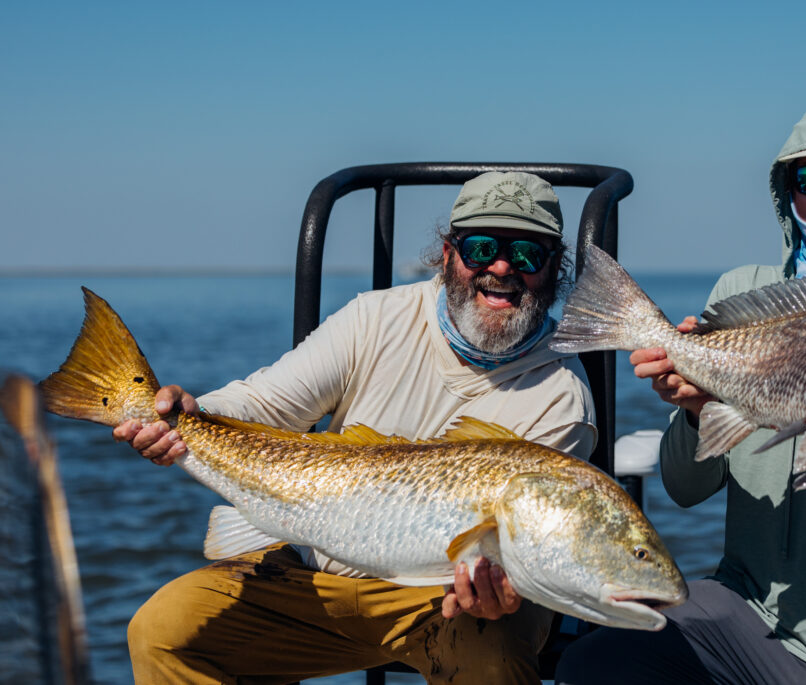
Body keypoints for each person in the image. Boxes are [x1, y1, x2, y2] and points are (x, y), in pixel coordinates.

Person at [114, 171, 596, 684]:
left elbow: (526, 551)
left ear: (555, 268)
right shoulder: (374, 318)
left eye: (526, 254)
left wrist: (505, 584)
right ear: (448, 254)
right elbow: (264, 404)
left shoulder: (561, 396)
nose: (500, 268)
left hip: (450, 600)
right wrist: (189, 414)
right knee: (163, 630)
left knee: (494, 657)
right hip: (312, 572)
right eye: (481, 248)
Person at [556, 91, 806, 685]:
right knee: (592, 664)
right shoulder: (741, 290)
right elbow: (685, 489)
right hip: (745, 610)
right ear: (787, 191)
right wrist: (695, 412)